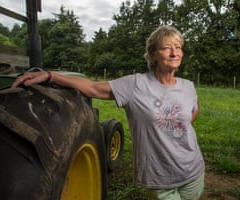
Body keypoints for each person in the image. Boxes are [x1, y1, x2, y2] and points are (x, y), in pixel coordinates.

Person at [12, 25, 205, 200]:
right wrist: (50, 75)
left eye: (178, 47)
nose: (174, 53)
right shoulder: (136, 85)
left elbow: (192, 113)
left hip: (193, 170)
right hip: (160, 178)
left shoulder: (188, 86)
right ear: (153, 55)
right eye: (166, 48)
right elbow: (93, 88)